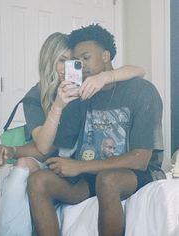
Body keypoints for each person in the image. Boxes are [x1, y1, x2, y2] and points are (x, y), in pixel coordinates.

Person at [0, 31, 146, 236]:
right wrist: (58, 105)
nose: (68, 68)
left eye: (73, 62)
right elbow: (46, 147)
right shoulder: (36, 96)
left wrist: (103, 77)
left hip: (76, 161)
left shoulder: (86, 84)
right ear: (49, 61)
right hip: (53, 157)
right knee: (24, 167)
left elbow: (139, 71)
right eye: (62, 61)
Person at [27, 24, 166, 236]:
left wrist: (79, 166)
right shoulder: (80, 96)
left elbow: (140, 159)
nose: (81, 65)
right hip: (92, 176)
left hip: (138, 174)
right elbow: (54, 145)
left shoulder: (142, 91)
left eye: (86, 57)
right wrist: (12, 151)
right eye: (77, 61)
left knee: (108, 179)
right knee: (38, 181)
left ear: (105, 55)